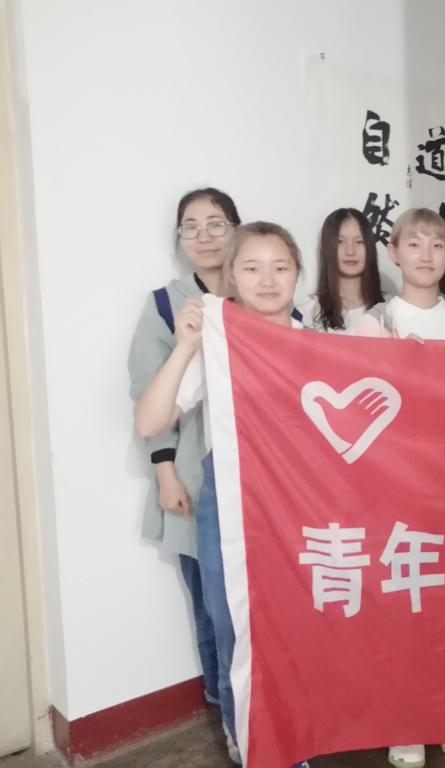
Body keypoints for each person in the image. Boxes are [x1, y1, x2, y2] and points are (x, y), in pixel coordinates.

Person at [134, 221, 310, 768]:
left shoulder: (315, 343)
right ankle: (256, 745)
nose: (267, 280)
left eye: (280, 267)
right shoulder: (217, 344)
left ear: (297, 274)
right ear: (231, 275)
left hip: (303, 510)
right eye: (251, 267)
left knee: (301, 629)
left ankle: (298, 739)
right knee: (238, 631)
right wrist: (186, 346)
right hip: (231, 509)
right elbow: (150, 421)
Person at [354, 208, 445, 768]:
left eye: (437, 245)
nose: (426, 255)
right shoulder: (373, 323)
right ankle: (404, 720)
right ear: (394, 252)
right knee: (403, 605)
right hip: (395, 489)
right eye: (414, 243)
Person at [128, 187, 239, 715]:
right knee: (210, 600)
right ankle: (224, 705)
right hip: (193, 474)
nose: (203, 236)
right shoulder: (165, 303)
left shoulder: (257, 291)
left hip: (256, 474)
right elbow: (147, 393)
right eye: (190, 227)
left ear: (236, 229)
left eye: (216, 223)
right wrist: (164, 471)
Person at [301, 207, 384, 333]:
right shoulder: (309, 312)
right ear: (328, 248)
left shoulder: (390, 307)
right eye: (340, 242)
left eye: (359, 242)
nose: (350, 251)